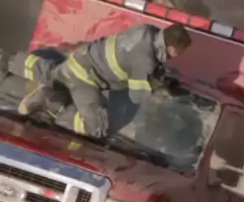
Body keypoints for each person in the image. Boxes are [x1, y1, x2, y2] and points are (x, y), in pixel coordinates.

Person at [16, 23, 192, 139]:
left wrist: (156, 74)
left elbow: (133, 58)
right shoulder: (145, 61)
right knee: (97, 128)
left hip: (82, 58)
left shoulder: (147, 30)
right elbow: (136, 96)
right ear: (171, 48)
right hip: (87, 78)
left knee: (52, 72)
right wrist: (154, 87)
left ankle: (11, 61)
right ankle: (51, 103)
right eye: (180, 52)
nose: (179, 56)